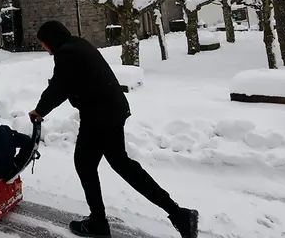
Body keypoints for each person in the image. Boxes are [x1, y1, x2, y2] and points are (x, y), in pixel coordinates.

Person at [28, 20, 198, 238]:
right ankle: (178, 214)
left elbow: (59, 88)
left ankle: (99, 222)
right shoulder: (77, 45)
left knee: (86, 163)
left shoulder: (67, 54)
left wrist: (39, 110)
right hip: (111, 110)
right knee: (119, 164)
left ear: (51, 39)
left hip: (99, 115)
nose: (44, 48)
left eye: (44, 43)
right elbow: (71, 81)